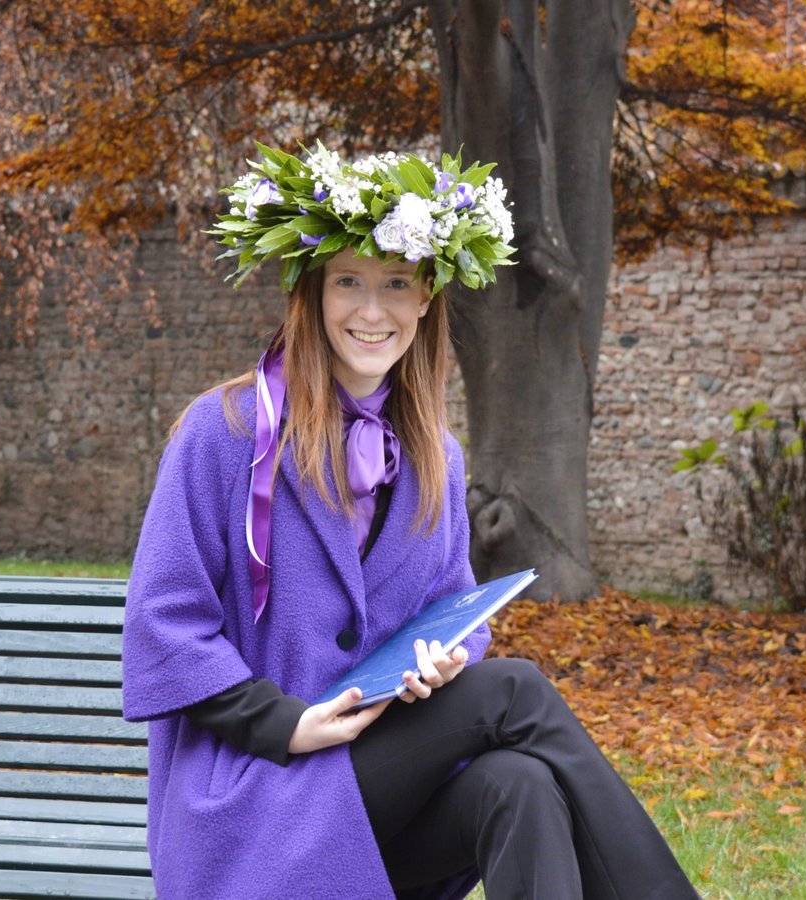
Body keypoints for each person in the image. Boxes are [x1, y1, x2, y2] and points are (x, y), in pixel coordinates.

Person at [121, 144, 698, 899]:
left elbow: (451, 609)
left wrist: (441, 657)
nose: (371, 309)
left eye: (395, 283)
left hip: (371, 788)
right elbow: (164, 624)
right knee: (517, 692)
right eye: (348, 282)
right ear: (311, 294)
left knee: (517, 783)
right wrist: (283, 723)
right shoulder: (224, 432)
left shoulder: (436, 457)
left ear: (426, 295)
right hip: (258, 794)